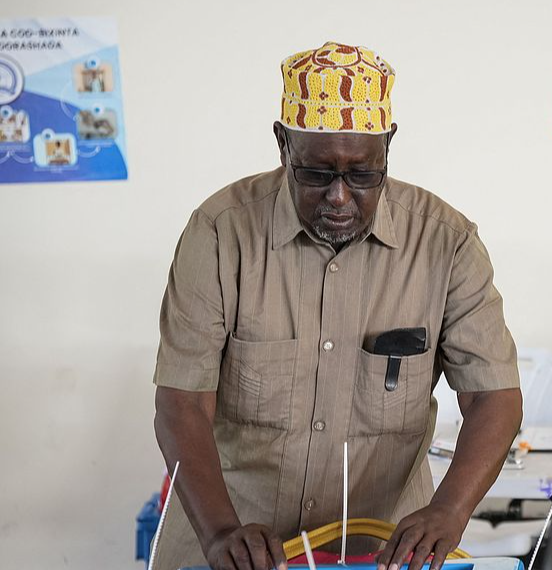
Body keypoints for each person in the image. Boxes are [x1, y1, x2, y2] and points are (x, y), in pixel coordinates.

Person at [152, 42, 523, 570]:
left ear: (388, 149)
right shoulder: (219, 234)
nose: (340, 197)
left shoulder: (448, 243)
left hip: (383, 552)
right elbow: (181, 403)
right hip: (234, 547)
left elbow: (495, 398)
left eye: (363, 175)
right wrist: (220, 532)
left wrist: (449, 511)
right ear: (283, 145)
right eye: (318, 174)